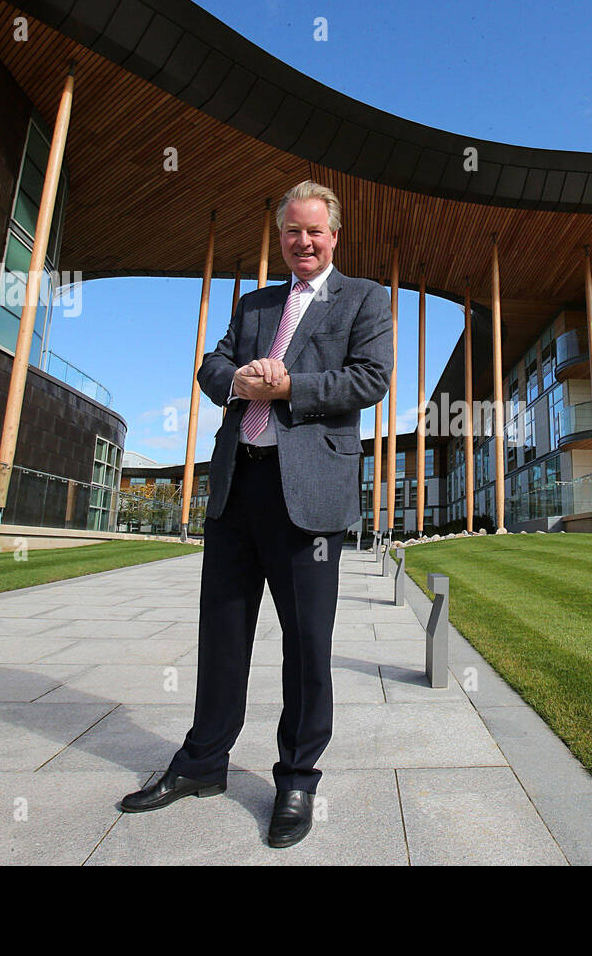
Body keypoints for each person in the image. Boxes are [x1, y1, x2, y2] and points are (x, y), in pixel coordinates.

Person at [119, 180, 393, 848]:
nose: (304, 242)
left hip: (309, 497)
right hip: (238, 489)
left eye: (315, 231)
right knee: (222, 637)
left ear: (335, 236)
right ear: (281, 236)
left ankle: (297, 777)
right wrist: (234, 380)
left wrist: (290, 385)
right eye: (293, 231)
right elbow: (212, 365)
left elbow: (372, 380)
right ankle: (203, 763)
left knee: (306, 647)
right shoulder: (255, 304)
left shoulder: (365, 298)